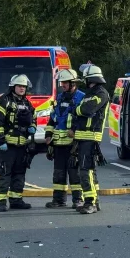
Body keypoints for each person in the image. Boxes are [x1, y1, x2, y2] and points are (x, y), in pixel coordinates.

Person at [0, 74, 36, 212]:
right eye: (19, 86)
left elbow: (34, 118)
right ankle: (1, 201)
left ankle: (16, 200)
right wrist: (1, 140)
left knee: (19, 173)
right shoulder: (4, 100)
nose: (22, 88)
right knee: (4, 173)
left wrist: (33, 127)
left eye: (24, 86)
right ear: (13, 87)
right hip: (7, 145)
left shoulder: (27, 103)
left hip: (22, 145)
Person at [70, 64, 110, 214]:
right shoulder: (90, 93)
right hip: (83, 137)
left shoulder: (101, 93)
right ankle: (95, 201)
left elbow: (86, 109)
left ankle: (90, 202)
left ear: (90, 79)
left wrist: (78, 109)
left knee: (85, 171)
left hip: (91, 137)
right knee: (89, 171)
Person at [44, 69, 86, 209]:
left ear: (73, 83)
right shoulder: (59, 98)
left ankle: (77, 200)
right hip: (59, 144)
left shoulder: (81, 98)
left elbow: (84, 120)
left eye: (64, 82)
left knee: (74, 173)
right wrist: (48, 136)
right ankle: (59, 200)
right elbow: (52, 119)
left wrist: (75, 131)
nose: (62, 85)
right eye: (61, 82)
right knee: (59, 173)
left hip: (74, 144)